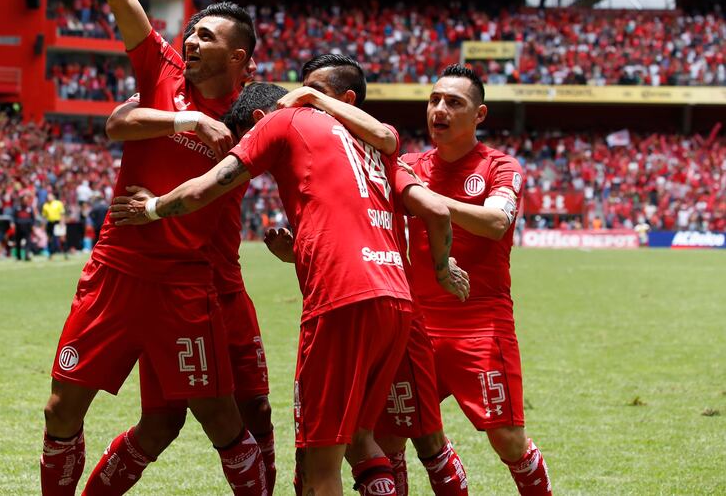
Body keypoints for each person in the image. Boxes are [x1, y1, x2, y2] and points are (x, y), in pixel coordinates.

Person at [110, 81, 465, 496]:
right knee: (360, 439)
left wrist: (151, 208)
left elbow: (206, 187)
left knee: (320, 468)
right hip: (396, 297)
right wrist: (442, 271)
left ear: (257, 121)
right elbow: (430, 203)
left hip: (341, 299)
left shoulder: (278, 122)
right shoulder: (362, 137)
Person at [43, 0, 267, 496]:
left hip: (184, 283)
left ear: (242, 58)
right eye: (191, 34)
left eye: (208, 39)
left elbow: (311, 117)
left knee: (222, 425)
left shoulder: (255, 106)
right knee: (61, 409)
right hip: (114, 266)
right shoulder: (161, 71)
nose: (192, 42)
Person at [266, 55, 472, 495]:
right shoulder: (363, 154)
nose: (304, 103)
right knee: (373, 441)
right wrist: (297, 252)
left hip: (358, 311)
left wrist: (441, 267)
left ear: (347, 100)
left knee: (354, 441)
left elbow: (432, 207)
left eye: (315, 93)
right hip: (389, 310)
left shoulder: (380, 152)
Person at [89, 44, 276, 493]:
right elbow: (116, 123)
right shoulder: (167, 102)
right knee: (161, 421)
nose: (251, 66)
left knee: (257, 411)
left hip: (226, 290)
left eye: (250, 58)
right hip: (177, 289)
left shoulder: (256, 112)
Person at [389, 64, 553, 495]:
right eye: (434, 100)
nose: (439, 110)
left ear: (479, 114)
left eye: (453, 103)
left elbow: (497, 222)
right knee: (391, 435)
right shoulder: (408, 164)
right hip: (416, 325)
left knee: (507, 439)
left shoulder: (501, 166)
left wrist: (427, 199)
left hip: (479, 323)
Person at [41, 191, 66, 260]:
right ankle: (51, 254)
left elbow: (62, 213)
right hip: (50, 223)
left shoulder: (58, 203)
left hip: (58, 222)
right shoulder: (45, 205)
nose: (49, 198)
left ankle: (65, 253)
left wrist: (62, 222)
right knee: (50, 239)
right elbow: (44, 217)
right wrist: (43, 225)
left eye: (50, 196)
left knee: (61, 238)